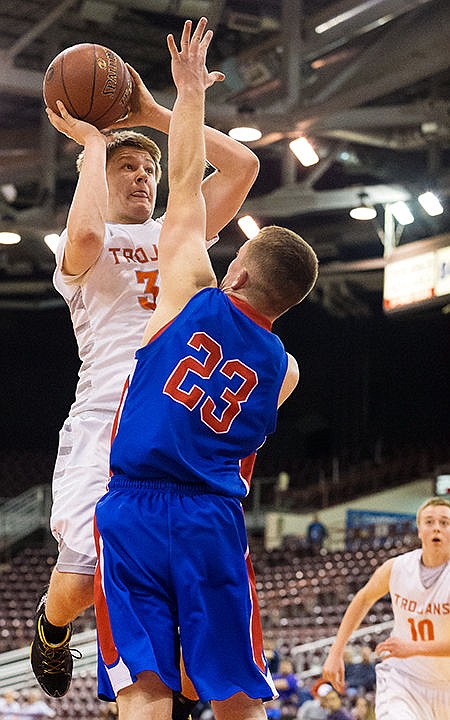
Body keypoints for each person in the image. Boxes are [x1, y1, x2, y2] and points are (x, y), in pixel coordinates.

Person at [30, 15, 259, 713]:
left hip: (174, 425)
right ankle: (50, 624)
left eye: (150, 168)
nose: (144, 175)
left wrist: (158, 115)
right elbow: (92, 228)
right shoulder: (83, 246)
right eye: (130, 167)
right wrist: (96, 145)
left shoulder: (176, 233)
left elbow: (242, 167)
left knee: (183, 570)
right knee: (78, 584)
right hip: (105, 419)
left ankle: (167, 686)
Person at [93, 16, 318, 720]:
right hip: (211, 518)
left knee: (145, 687)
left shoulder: (191, 291)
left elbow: (185, 180)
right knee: (234, 693)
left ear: (240, 270)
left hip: (133, 506)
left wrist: (185, 93)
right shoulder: (284, 372)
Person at [322, 497, 450, 719]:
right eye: (429, 522)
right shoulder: (397, 567)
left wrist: (413, 648)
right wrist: (336, 651)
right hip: (404, 680)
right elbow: (363, 599)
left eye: (445, 522)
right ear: (419, 530)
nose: (436, 527)